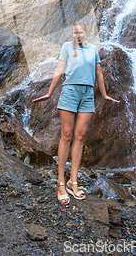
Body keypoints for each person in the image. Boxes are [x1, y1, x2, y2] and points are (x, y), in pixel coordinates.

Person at [32, 21, 120, 205]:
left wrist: (104, 94)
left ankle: (74, 182)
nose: (77, 35)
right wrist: (49, 93)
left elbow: (99, 73)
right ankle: (61, 183)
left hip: (88, 94)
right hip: (70, 91)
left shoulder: (93, 49)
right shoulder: (66, 47)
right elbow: (59, 69)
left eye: (80, 32)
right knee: (66, 135)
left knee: (80, 136)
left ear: (86, 33)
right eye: (74, 33)